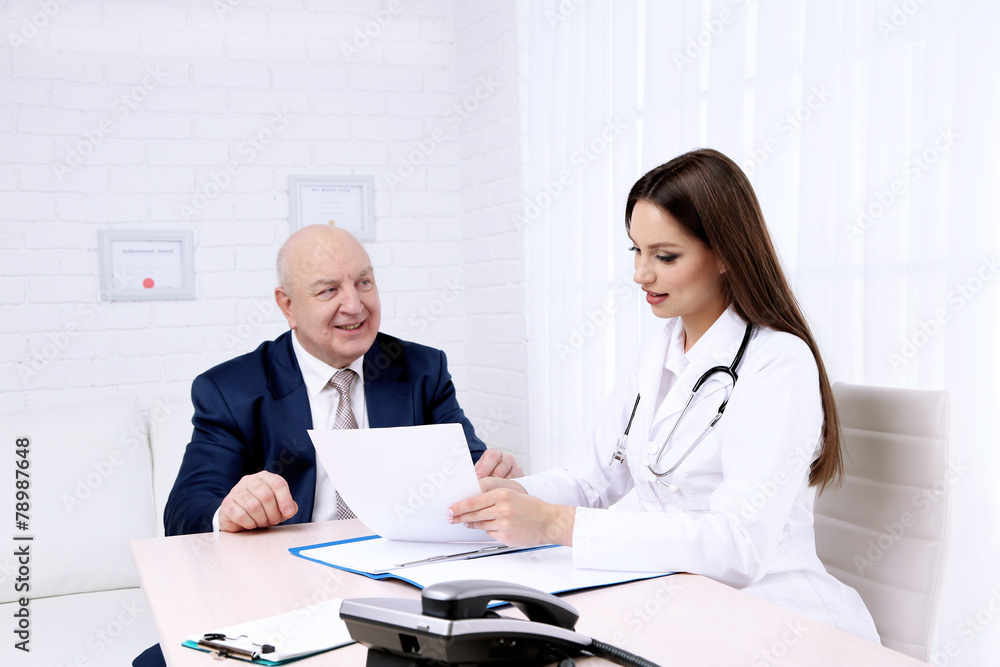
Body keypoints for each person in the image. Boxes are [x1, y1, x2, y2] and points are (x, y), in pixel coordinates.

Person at [448, 149, 880, 642]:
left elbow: (738, 545)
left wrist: (553, 524)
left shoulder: (777, 363)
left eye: (664, 256)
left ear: (723, 254)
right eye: (635, 250)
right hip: (676, 595)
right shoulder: (660, 348)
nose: (640, 274)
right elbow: (591, 479)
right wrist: (510, 499)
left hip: (776, 613)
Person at [164, 224, 521, 536]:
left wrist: (498, 477)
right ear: (287, 306)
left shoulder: (423, 370)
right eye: (328, 290)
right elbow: (186, 509)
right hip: (287, 569)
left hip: (398, 562)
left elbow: (471, 471)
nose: (355, 305)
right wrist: (228, 513)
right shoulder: (230, 390)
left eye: (363, 282)